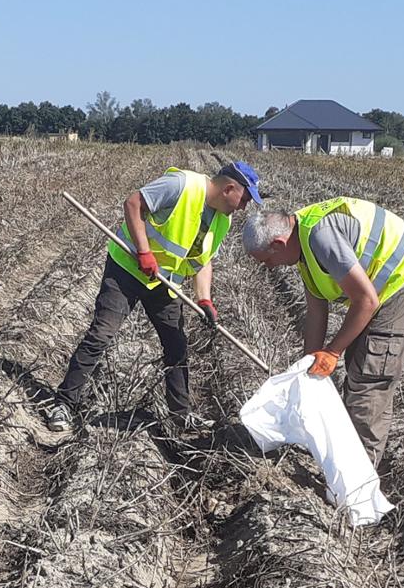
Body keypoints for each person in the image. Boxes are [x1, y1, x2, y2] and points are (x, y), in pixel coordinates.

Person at [44, 161, 263, 433]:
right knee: (101, 334)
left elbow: (204, 262)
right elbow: (133, 203)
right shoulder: (182, 185)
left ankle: (181, 417)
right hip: (127, 268)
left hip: (163, 283)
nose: (243, 207)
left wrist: (204, 299)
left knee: (177, 347)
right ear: (230, 188)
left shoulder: (222, 219)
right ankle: (64, 402)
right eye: (244, 199)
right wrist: (144, 251)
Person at [241, 197, 404, 463]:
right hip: (377, 289)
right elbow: (316, 312)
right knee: (358, 364)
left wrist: (332, 352)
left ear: (278, 244)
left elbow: (366, 301)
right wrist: (309, 366)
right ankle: (348, 454)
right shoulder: (301, 246)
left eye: (266, 261)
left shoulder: (321, 238)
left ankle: (359, 482)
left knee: (369, 376)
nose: (268, 267)